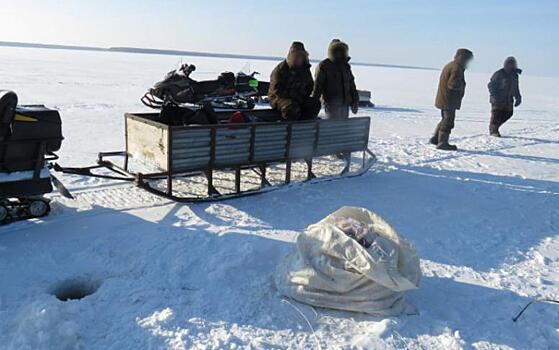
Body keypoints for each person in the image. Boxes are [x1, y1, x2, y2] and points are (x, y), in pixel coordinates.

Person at [430, 48, 474, 151]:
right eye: (467, 59)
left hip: (445, 98)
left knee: (445, 119)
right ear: (462, 57)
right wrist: (461, 86)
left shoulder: (452, 65)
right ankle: (442, 142)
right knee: (448, 121)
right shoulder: (456, 68)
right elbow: (452, 85)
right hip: (449, 99)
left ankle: (436, 139)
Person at [268, 42, 321, 121]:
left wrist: (302, 96)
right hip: (279, 99)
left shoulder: (305, 70)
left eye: (301, 57)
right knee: (291, 108)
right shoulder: (280, 70)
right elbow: (277, 92)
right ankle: (292, 129)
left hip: (298, 98)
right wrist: (294, 97)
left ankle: (307, 125)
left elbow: (310, 86)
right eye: (296, 56)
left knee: (314, 104)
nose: (299, 59)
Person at [312, 39, 360, 120]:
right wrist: (313, 105)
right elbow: (318, 86)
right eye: (336, 51)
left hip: (345, 104)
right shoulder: (324, 66)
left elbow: (351, 84)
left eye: (341, 51)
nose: (339, 53)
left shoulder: (346, 66)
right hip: (331, 104)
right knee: (333, 128)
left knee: (343, 128)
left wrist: (355, 100)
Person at [488, 57, 522, 137]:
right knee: (496, 115)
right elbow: (491, 85)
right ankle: (493, 131)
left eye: (513, 63)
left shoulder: (515, 75)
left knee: (508, 113)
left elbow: (516, 87)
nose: (512, 65)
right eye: (510, 63)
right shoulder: (499, 73)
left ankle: (495, 127)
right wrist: (495, 95)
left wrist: (518, 97)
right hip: (497, 99)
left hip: (508, 100)